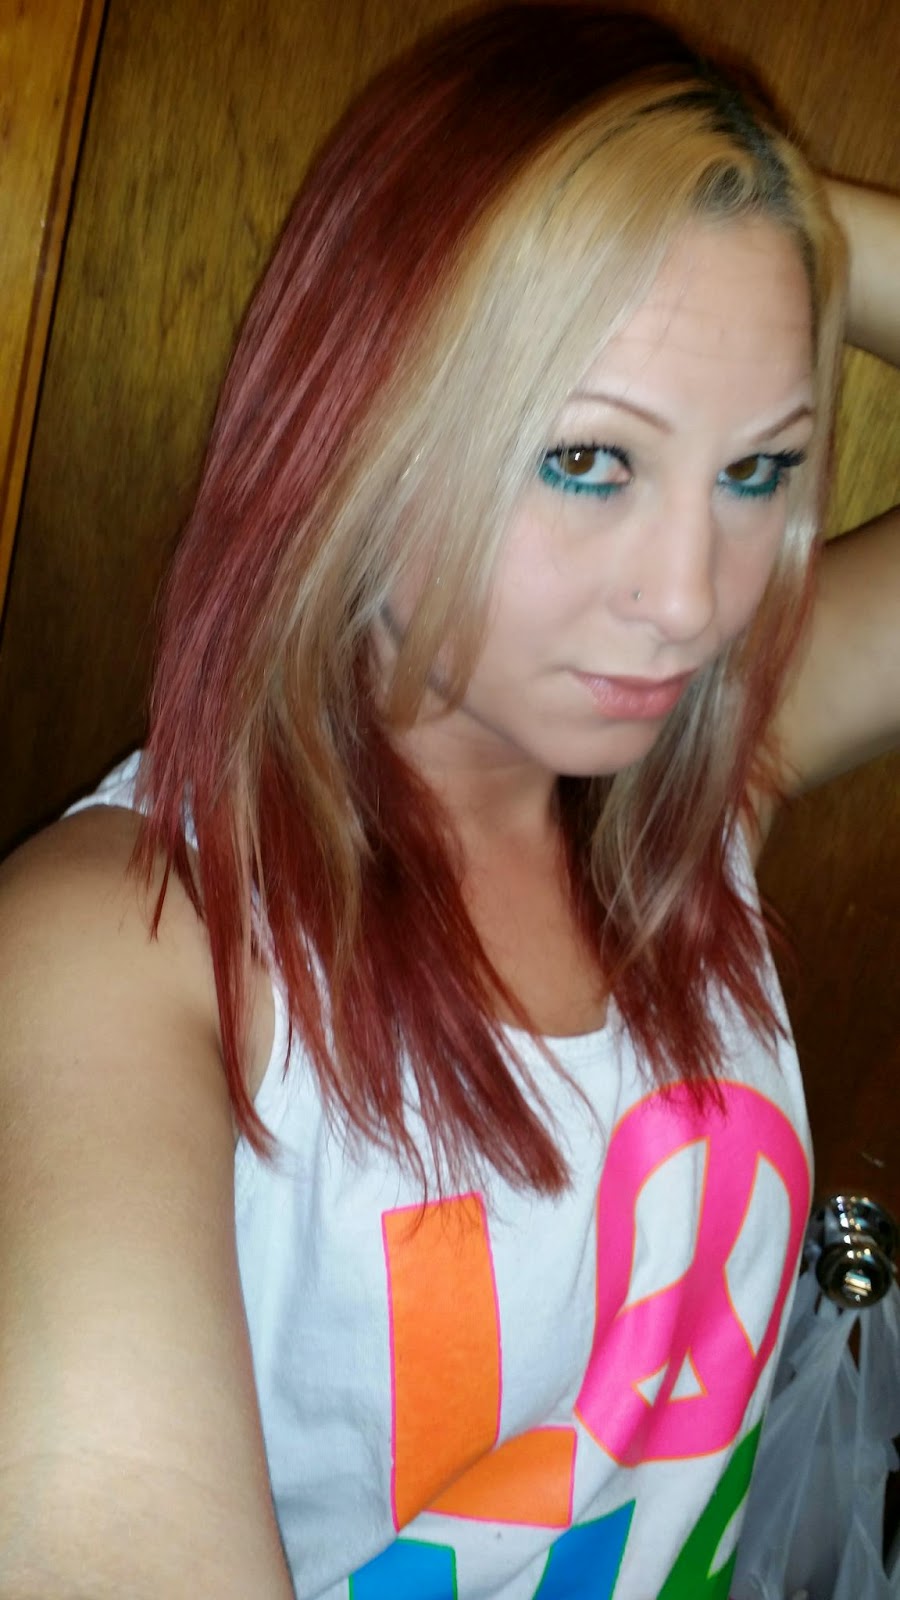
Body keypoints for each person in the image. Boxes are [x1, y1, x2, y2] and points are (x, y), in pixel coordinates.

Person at [0, 6, 898, 1597]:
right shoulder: (121, 953)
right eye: (587, 462)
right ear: (359, 420)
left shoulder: (695, 802)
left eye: (755, 472)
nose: (692, 601)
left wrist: (766, 207)